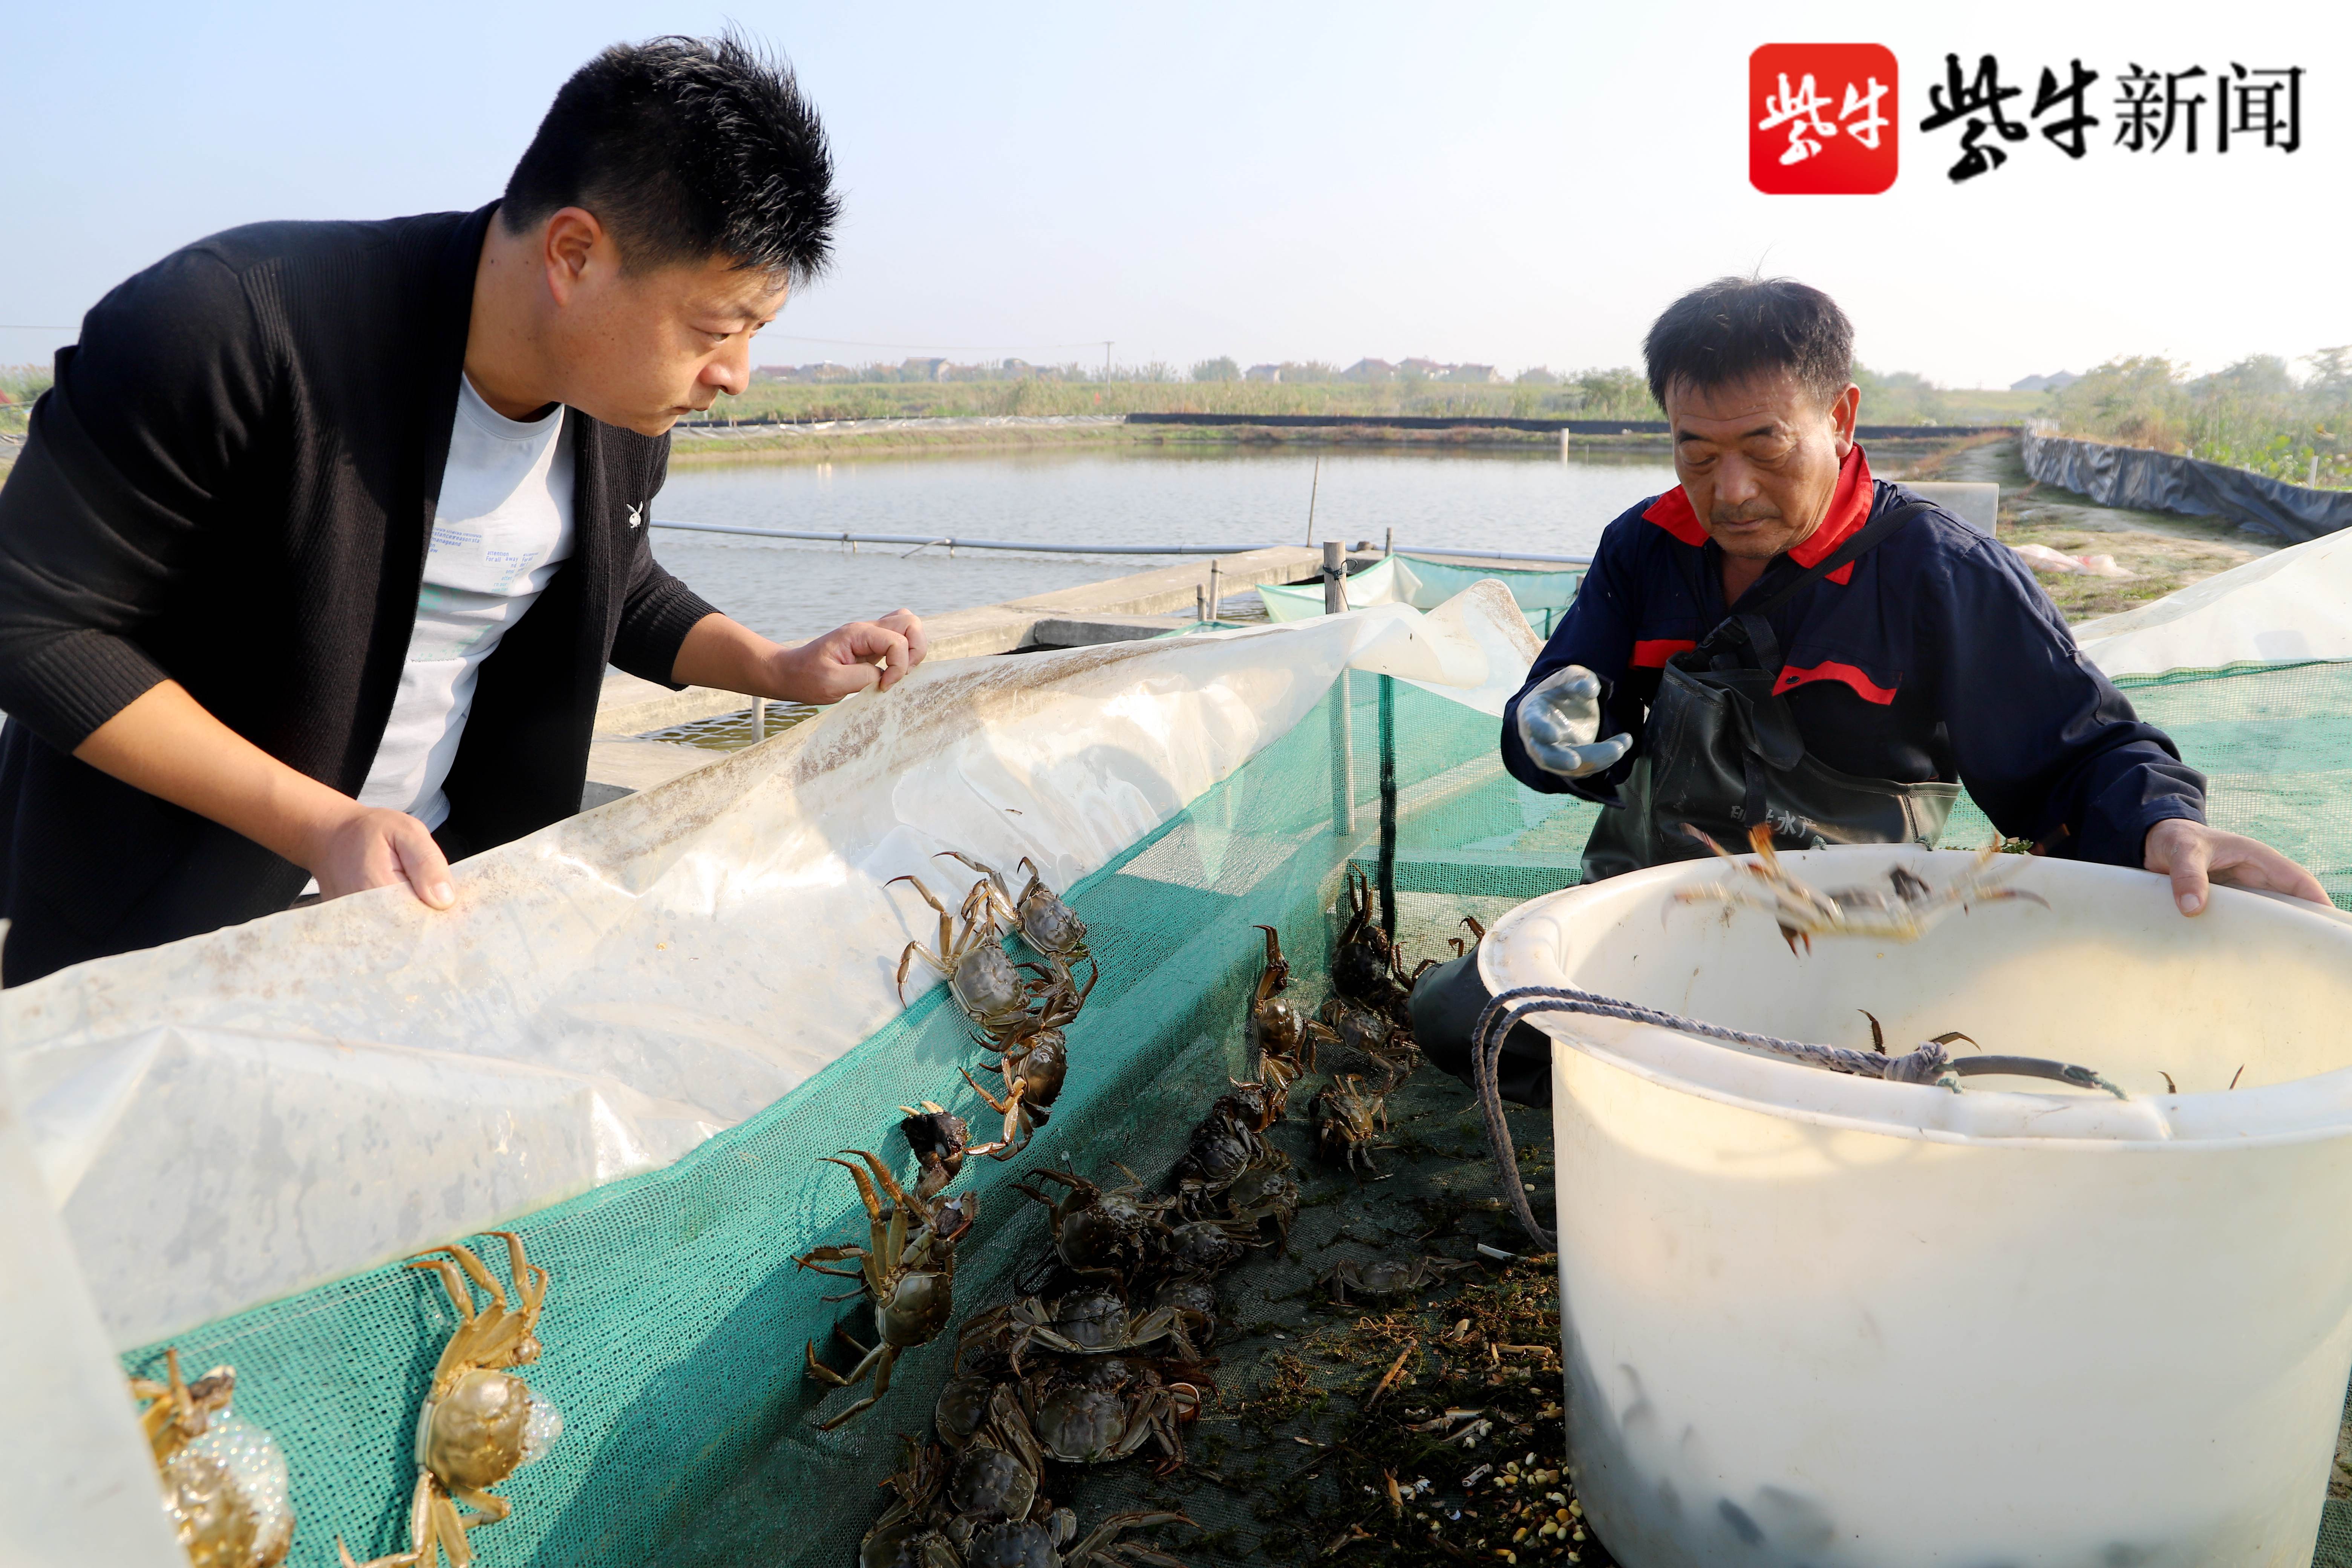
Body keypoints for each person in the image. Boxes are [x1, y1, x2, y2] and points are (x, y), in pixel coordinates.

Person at [0, 34, 928, 985]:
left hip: (435, 903)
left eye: (752, 334)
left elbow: (611, 581)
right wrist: (321, 826)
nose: (733, 376)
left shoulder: (620, 399)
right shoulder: (229, 329)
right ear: (575, 254)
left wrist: (772, 664)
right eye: (715, 330)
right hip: (166, 940)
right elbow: (34, 624)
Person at [1416, 276, 2326, 1105]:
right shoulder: (1644, 546)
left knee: (1852, 1087)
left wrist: (2163, 825)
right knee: (1463, 1022)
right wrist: (1543, 739)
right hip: (1657, 904)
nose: (1728, 491)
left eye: (1765, 446)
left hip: (1858, 936)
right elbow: (1571, 713)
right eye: (1695, 451)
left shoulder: (1940, 571)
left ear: (1841, 416)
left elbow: (2082, 753)